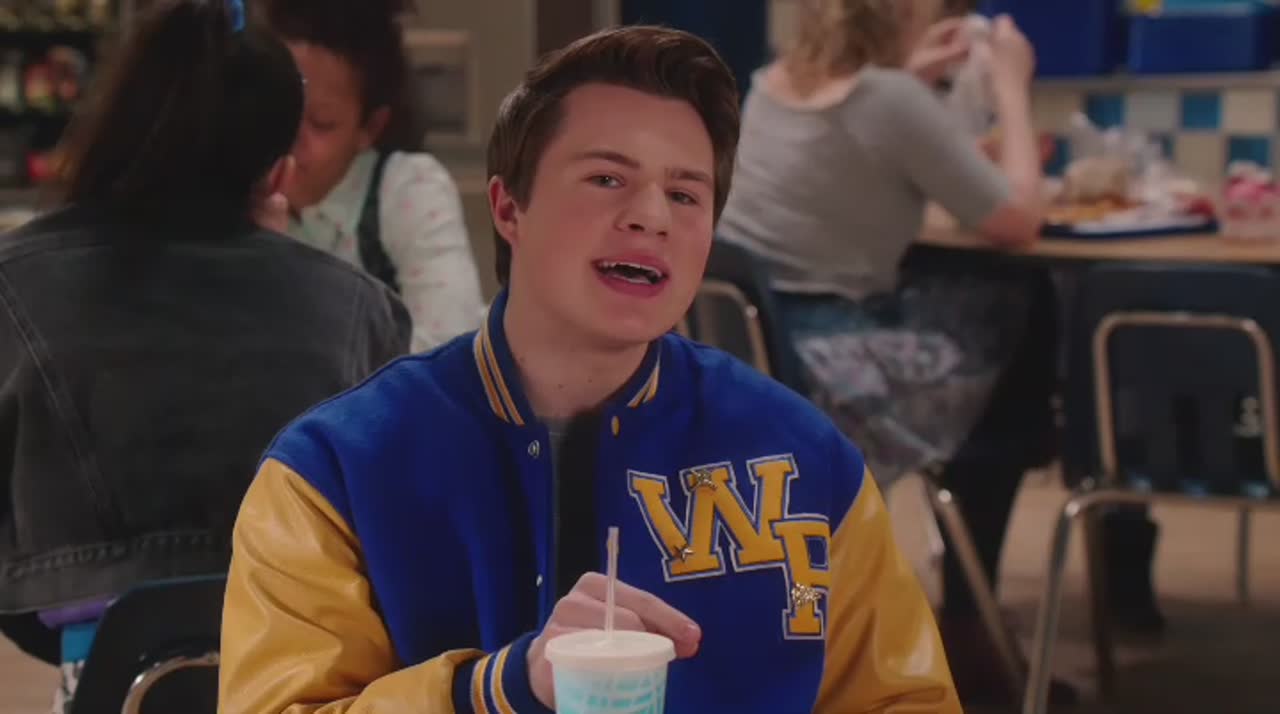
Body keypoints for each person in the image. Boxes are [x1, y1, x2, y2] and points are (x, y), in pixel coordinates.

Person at [219, 25, 961, 714]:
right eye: (608, 179)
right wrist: (499, 688)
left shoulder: (803, 459)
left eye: (685, 194)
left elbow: (905, 700)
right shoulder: (336, 470)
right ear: (509, 208)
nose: (652, 216)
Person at [0, 1, 409, 711]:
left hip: (94, 668)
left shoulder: (17, 284)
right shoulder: (359, 307)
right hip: (304, 667)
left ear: (116, 126)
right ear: (279, 171)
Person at [715, 0, 1071, 707]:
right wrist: (1010, 87)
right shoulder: (891, 99)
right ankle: (970, 620)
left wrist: (912, 76)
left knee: (996, 331)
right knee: (1021, 311)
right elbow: (1019, 220)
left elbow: (852, 137)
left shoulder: (771, 85)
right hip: (829, 365)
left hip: (756, 351)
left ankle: (967, 614)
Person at [258, 0, 485, 354]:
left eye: (322, 123)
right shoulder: (239, 186)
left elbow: (449, 349)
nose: (292, 138)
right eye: (279, 110)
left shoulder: (407, 189)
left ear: (371, 127)